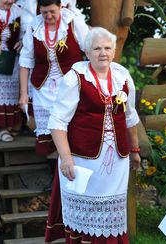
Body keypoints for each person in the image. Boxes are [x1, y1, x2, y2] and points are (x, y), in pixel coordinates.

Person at [47, 27, 140, 243]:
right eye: (97, 48)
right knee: (86, 214)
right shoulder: (76, 78)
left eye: (107, 48)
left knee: (112, 217)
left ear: (114, 51)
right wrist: (66, 157)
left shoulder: (122, 76)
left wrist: (135, 150)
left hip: (116, 160)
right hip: (83, 160)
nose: (103, 53)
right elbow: (58, 121)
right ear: (87, 52)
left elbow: (130, 116)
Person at [18, 0, 89, 156]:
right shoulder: (34, 26)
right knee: (48, 132)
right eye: (44, 13)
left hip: (70, 86)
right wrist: (23, 93)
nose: (48, 16)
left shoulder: (72, 21)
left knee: (72, 127)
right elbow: (25, 61)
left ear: (60, 8)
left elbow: (89, 48)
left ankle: (70, 166)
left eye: (52, 12)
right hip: (43, 88)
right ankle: (55, 171)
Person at [0, 0, 22, 142]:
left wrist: (23, 41)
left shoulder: (17, 12)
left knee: (9, 95)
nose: (11, 1)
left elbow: (27, 31)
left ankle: (4, 128)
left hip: (10, 60)